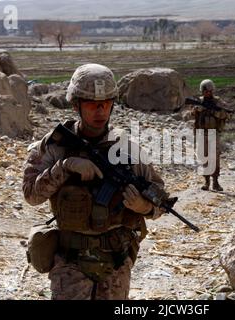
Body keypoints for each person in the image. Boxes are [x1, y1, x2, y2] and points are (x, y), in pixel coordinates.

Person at [22, 63, 166, 300]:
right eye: (91, 104)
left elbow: (159, 196)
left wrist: (146, 207)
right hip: (70, 261)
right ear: (76, 105)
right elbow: (31, 195)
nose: (100, 111)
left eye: (106, 104)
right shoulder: (55, 146)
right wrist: (64, 167)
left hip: (116, 261)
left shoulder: (128, 148)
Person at [191, 79, 230, 191]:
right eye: (206, 91)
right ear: (202, 91)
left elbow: (226, 114)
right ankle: (206, 182)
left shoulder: (218, 102)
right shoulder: (198, 101)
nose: (208, 93)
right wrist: (197, 110)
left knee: (214, 158)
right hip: (201, 133)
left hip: (213, 133)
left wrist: (215, 112)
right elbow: (190, 114)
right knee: (204, 157)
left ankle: (215, 182)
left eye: (210, 91)